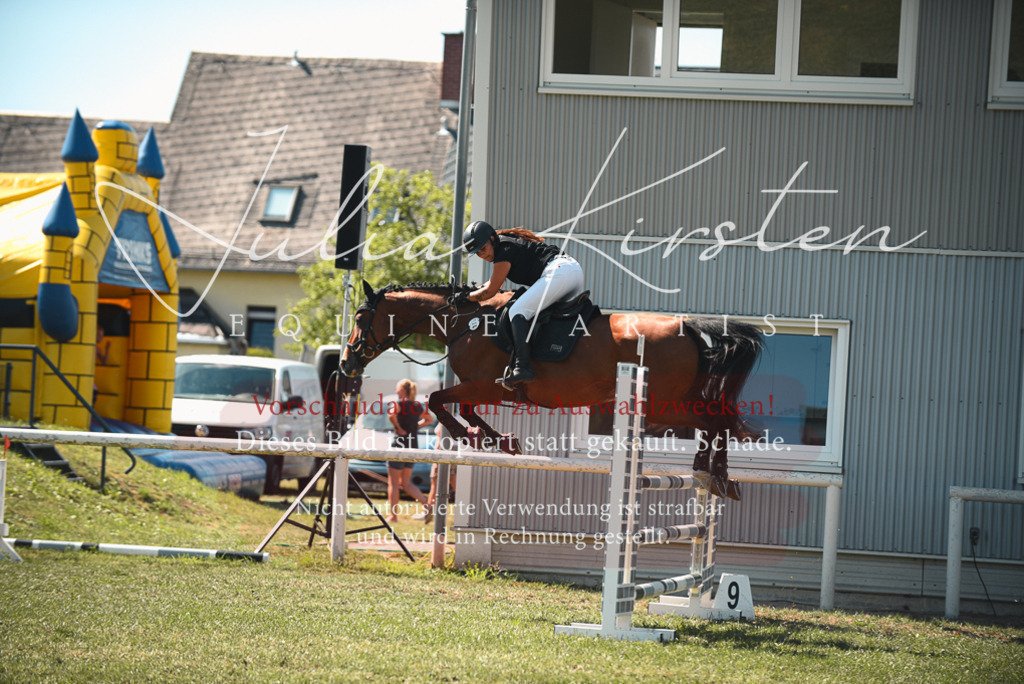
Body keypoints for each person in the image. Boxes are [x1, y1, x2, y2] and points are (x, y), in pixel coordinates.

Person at [461, 221, 584, 386]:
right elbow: (494, 284)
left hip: (561, 272)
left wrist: (466, 298)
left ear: (492, 238)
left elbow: (491, 290)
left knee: (516, 311)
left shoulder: (504, 249)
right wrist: (469, 293)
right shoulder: (503, 247)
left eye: (483, 249)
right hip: (571, 273)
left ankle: (523, 367)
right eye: (478, 253)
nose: (483, 255)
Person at [386, 379, 431, 523]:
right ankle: (427, 505)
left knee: (393, 483)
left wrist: (398, 427)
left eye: (397, 389)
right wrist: (415, 426)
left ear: (403, 391)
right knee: (406, 483)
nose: (396, 391)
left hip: (399, 445)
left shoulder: (398, 404)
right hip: (413, 446)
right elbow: (429, 419)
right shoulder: (417, 406)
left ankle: (393, 516)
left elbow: (391, 415)